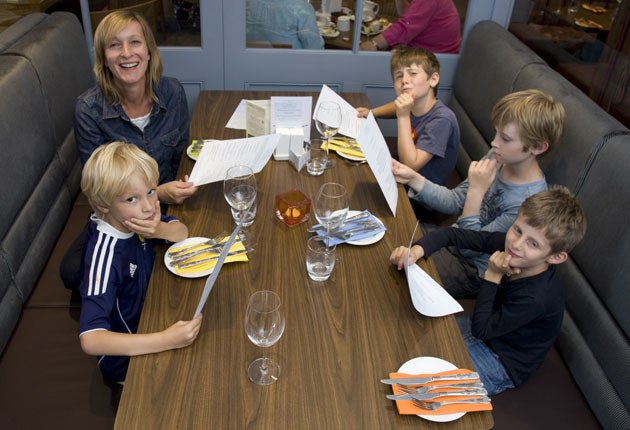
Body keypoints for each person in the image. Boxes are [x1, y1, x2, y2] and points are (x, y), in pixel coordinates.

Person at [390, 187, 587, 394]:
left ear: (555, 257)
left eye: (533, 244)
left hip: (503, 360)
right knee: (406, 341)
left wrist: (492, 276)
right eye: (517, 229)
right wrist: (416, 251)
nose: (516, 244)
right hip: (488, 327)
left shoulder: (536, 297)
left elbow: (481, 329)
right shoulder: (509, 244)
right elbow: (452, 234)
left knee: (422, 390)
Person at [61, 10, 197, 292]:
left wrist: (179, 188)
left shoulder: (172, 92)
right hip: (121, 213)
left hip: (169, 207)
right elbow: (99, 190)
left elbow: (181, 155)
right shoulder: (88, 110)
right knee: (72, 271)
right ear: (104, 59)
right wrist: (157, 192)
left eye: (135, 42)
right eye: (114, 45)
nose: (126, 53)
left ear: (149, 51)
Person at [391, 89, 566, 297]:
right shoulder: (498, 156)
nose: (494, 143)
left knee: (396, 281)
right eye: (496, 133)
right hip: (450, 238)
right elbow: (454, 200)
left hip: (471, 268)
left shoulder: (529, 202)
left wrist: (476, 191)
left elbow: (469, 248)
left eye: (506, 138)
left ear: (537, 147)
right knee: (390, 236)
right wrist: (413, 178)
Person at [78, 142, 202, 384]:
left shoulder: (134, 219)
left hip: (154, 314)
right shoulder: (104, 253)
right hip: (128, 360)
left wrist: (160, 229)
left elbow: (182, 232)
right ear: (104, 205)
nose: (147, 206)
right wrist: (166, 339)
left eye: (151, 191)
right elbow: (90, 339)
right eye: (132, 199)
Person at [357, 46, 459, 187]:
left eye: (412, 73)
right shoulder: (416, 103)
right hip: (397, 175)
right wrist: (373, 113)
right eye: (399, 76)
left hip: (417, 197)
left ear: (433, 79)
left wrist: (403, 116)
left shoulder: (442, 119)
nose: (404, 80)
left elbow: (410, 165)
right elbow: (396, 106)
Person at [360, 0, 461, 53]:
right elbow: (409, 15)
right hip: (433, 55)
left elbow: (405, 26)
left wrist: (373, 43)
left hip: (434, 61)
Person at [246, 0, 324, 49]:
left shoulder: (247, 3)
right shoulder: (301, 7)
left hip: (252, 67)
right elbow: (314, 48)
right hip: (292, 69)